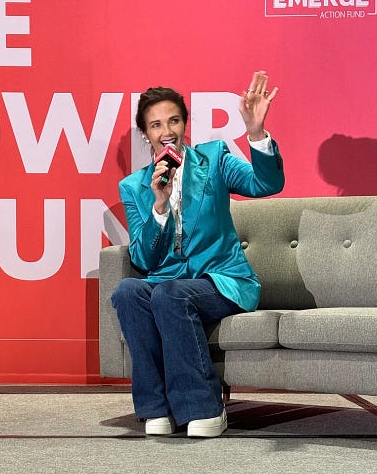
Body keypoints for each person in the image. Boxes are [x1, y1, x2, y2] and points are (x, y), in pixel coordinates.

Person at [111, 70, 284, 438]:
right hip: (167, 284)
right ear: (147, 134)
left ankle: (203, 405)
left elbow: (265, 183)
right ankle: (155, 408)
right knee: (128, 290)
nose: (166, 130)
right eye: (156, 124)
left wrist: (255, 133)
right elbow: (143, 260)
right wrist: (159, 205)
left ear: (185, 123)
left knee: (170, 294)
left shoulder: (214, 158)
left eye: (173, 120)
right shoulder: (134, 186)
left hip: (223, 279)